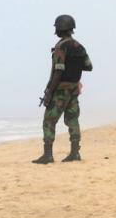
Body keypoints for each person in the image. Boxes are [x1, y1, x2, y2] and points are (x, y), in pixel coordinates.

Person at [33, 15, 93, 164]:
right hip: (73, 89)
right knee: (72, 120)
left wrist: (49, 93)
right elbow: (89, 66)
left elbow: (58, 71)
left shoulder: (61, 47)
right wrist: (75, 69)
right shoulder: (80, 47)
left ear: (59, 29)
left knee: (49, 121)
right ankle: (75, 153)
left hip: (60, 90)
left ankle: (48, 155)